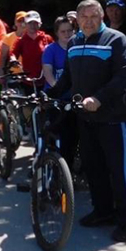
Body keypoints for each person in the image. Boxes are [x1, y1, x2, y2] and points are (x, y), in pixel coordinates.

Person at [48, 0, 126, 243]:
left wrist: (99, 98)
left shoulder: (116, 40)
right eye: (84, 17)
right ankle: (103, 211)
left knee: (119, 171)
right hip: (84, 118)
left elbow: (124, 76)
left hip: (111, 117)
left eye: (94, 16)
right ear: (77, 19)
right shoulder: (74, 43)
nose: (89, 21)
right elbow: (68, 79)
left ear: (101, 17)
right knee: (94, 167)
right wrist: (49, 95)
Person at [41, 16, 78, 172]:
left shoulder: (77, 48)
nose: (67, 34)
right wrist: (58, 89)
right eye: (63, 31)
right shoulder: (51, 50)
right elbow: (48, 72)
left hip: (75, 98)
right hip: (56, 97)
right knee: (60, 133)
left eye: (70, 30)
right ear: (56, 33)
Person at [11, 11, 53, 83]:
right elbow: (13, 53)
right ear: (25, 24)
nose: (33, 26)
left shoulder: (47, 38)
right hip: (28, 80)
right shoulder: (21, 40)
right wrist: (13, 60)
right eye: (30, 23)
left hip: (46, 79)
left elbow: (55, 52)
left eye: (35, 23)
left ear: (40, 24)